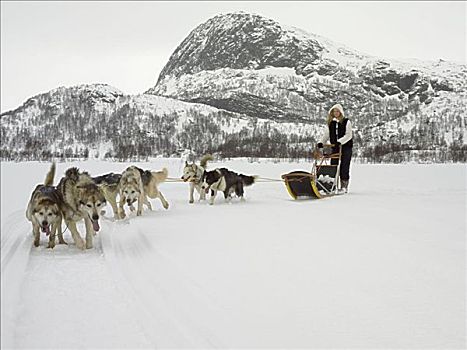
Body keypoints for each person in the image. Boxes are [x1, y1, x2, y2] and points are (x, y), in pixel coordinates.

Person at [317, 103, 353, 193]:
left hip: (346, 147)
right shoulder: (330, 123)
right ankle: (332, 185)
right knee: (333, 165)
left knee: (344, 166)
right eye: (334, 111)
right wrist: (321, 143)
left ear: (341, 112)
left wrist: (340, 142)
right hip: (335, 147)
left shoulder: (346, 121)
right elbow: (326, 135)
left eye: (337, 111)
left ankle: (344, 186)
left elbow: (349, 135)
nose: (336, 113)